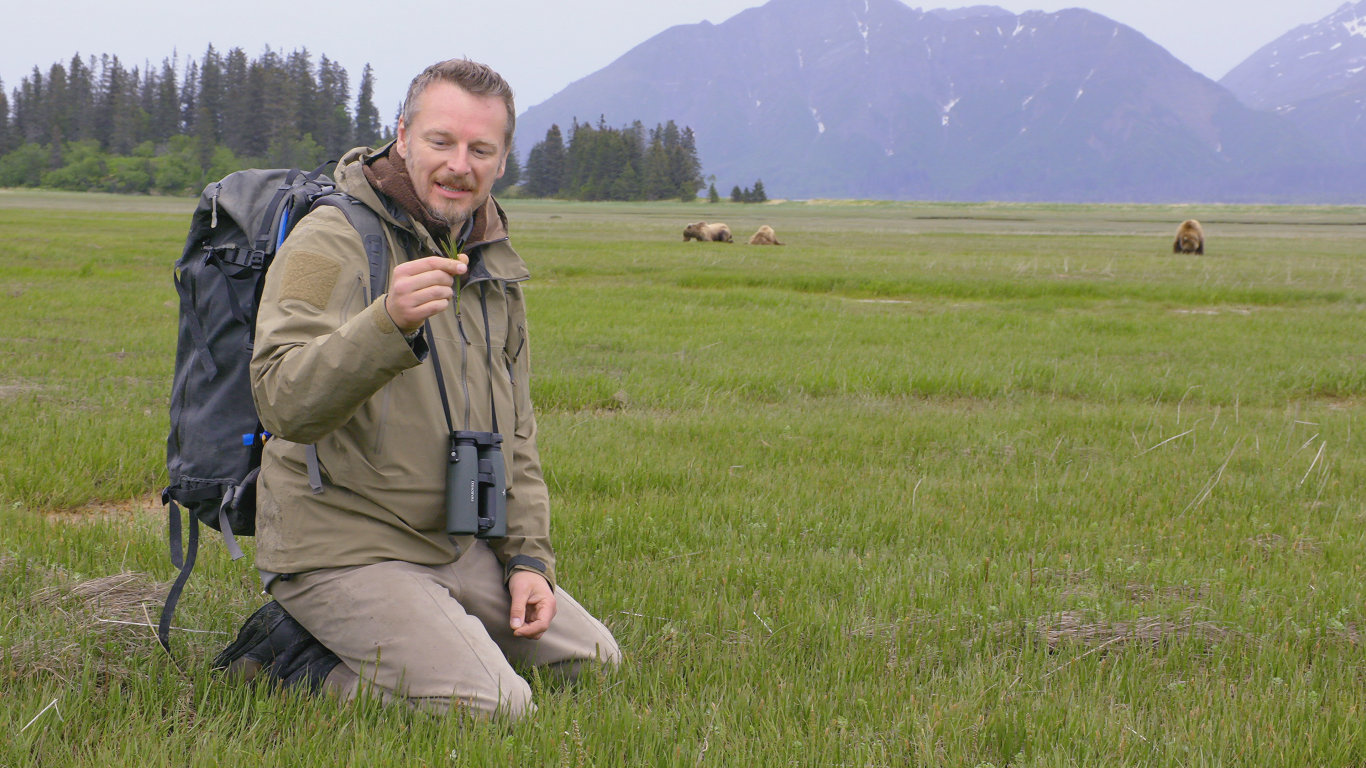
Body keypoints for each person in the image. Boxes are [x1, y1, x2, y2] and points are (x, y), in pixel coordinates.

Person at [212, 58, 620, 720]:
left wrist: (527, 562)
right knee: (496, 707)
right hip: (343, 546)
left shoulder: (489, 261)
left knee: (592, 662)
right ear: (402, 136)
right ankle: (292, 662)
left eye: (479, 148)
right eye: (441, 141)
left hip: (450, 543)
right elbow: (281, 400)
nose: (460, 164)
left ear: (502, 158)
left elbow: (514, 433)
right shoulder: (331, 241)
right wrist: (386, 324)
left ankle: (432, 625)